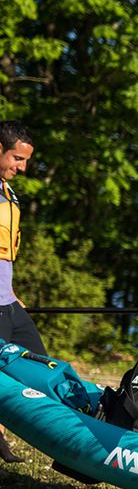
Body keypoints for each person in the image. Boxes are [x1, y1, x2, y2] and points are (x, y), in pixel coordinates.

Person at [0, 121, 47, 463]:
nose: (22, 167)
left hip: (8, 305)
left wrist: (13, 294)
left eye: (25, 160)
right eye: (17, 158)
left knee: (40, 370)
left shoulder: (7, 192)